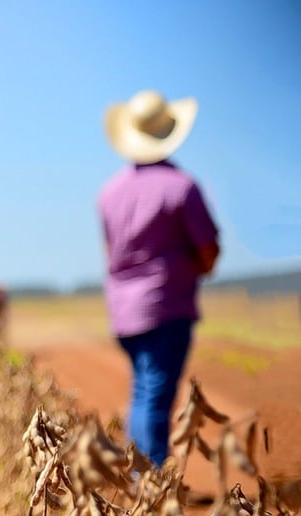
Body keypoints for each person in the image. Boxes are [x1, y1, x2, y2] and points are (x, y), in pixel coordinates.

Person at [98, 89, 221, 467]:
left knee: (143, 391)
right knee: (155, 395)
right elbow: (208, 249)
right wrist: (196, 269)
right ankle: (151, 483)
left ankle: (141, 476)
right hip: (166, 307)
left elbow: (111, 251)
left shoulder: (109, 192)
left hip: (123, 310)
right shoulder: (181, 187)